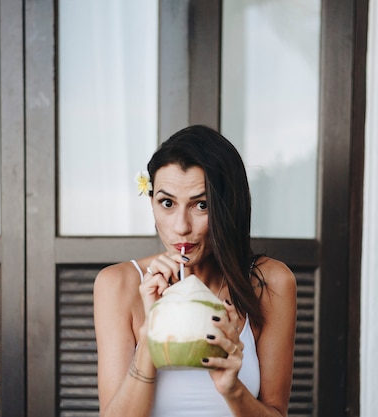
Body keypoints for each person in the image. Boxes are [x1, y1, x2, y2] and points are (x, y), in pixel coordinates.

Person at [93, 125, 297, 417]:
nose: (181, 227)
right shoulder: (118, 285)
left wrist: (233, 390)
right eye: (167, 203)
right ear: (151, 202)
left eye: (201, 205)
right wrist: (151, 338)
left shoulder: (271, 282)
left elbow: (276, 412)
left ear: (228, 207)